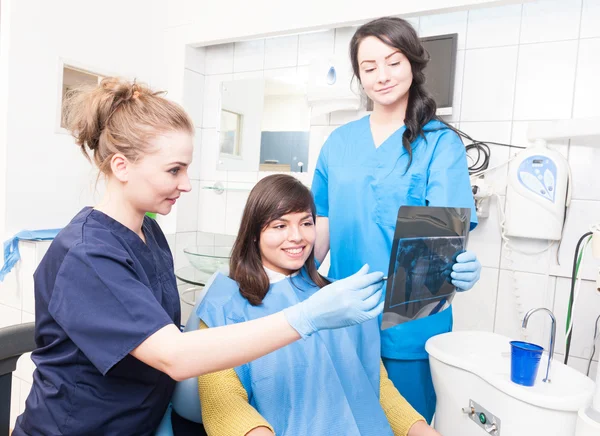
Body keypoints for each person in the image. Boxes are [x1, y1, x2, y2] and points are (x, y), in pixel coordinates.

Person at [12, 77, 386, 436]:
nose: (186, 184)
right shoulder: (86, 255)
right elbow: (174, 355)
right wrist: (308, 317)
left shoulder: (149, 232)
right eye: (174, 170)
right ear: (121, 166)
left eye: (187, 168)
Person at [311, 17, 482, 423]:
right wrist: (295, 284)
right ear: (359, 76)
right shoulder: (339, 142)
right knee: (345, 422)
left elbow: (445, 236)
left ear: (413, 64)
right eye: (369, 68)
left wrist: (459, 269)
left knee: (405, 423)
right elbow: (321, 222)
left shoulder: (440, 143)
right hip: (344, 310)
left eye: (393, 62)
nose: (382, 76)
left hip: (410, 324)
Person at [194, 174, 441, 436]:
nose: (297, 237)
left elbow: (376, 387)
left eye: (306, 223)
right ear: (254, 233)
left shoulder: (342, 298)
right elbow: (222, 404)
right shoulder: (224, 307)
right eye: (280, 226)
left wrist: (421, 430)